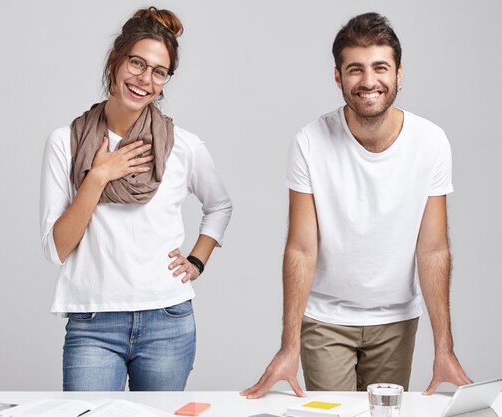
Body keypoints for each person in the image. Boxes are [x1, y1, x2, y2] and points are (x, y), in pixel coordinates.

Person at [241, 12, 471, 398]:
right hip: (325, 320)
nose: (368, 81)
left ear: (398, 74)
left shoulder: (431, 142)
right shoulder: (310, 142)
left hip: (397, 321)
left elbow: (433, 249)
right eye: (355, 69)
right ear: (338, 77)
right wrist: (289, 345)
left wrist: (444, 348)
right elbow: (301, 248)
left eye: (380, 68)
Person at [39, 7, 232, 391]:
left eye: (159, 71)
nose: (145, 79)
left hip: (167, 318)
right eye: (137, 63)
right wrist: (97, 176)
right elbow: (56, 248)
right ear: (115, 60)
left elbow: (219, 205)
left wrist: (197, 260)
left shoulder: (182, 145)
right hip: (93, 322)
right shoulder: (66, 142)